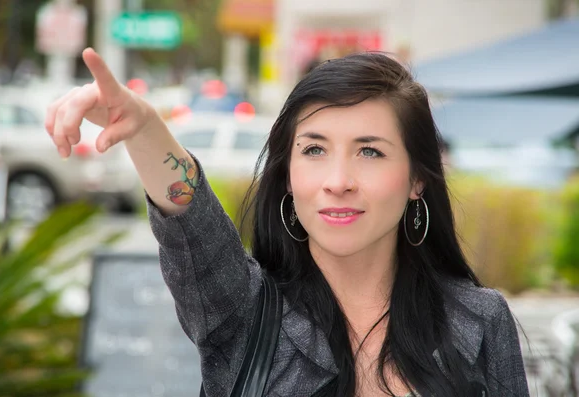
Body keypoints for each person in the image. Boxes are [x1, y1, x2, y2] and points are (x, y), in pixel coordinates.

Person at [45, 48, 529, 397]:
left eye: (370, 151)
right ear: (290, 173)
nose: (338, 181)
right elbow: (191, 222)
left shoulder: (480, 321)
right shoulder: (244, 311)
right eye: (314, 149)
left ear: (417, 180)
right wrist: (145, 129)